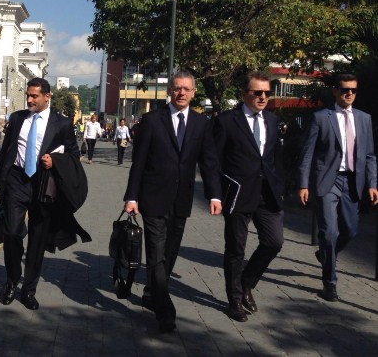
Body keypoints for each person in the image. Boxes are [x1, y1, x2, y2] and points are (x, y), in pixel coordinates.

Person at [123, 71, 222, 333]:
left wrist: (214, 194)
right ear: (170, 91)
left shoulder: (202, 123)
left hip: (182, 200)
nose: (181, 93)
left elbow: (209, 161)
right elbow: (139, 162)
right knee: (156, 253)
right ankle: (165, 310)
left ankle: (151, 291)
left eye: (186, 89)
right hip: (153, 197)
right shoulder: (153, 120)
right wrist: (131, 197)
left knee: (170, 252)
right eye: (177, 88)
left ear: (193, 92)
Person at [0, 78, 80, 310]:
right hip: (17, 180)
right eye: (28, 95)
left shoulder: (62, 124)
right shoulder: (17, 118)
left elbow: (74, 155)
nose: (29, 100)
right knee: (11, 232)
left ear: (47, 97)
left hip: (44, 184)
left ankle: (29, 290)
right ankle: (11, 280)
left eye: (34, 96)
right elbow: (5, 152)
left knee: (37, 240)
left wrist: (55, 161)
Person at [298, 73, 378, 301]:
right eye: (344, 89)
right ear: (335, 91)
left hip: (353, 182)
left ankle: (324, 253)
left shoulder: (364, 118)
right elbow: (308, 153)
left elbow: (370, 155)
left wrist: (373, 184)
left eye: (353, 89)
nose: (349, 93)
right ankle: (329, 284)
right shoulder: (322, 117)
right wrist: (303, 184)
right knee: (329, 232)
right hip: (327, 181)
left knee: (350, 231)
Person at [213, 71, 284, 323]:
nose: (263, 97)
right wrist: (217, 194)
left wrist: (280, 185)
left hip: (267, 194)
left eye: (267, 93)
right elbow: (214, 162)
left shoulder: (273, 121)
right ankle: (234, 301)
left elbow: (273, 158)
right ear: (245, 94)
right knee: (235, 249)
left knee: (274, 242)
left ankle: (247, 282)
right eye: (258, 93)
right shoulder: (226, 121)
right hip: (238, 194)